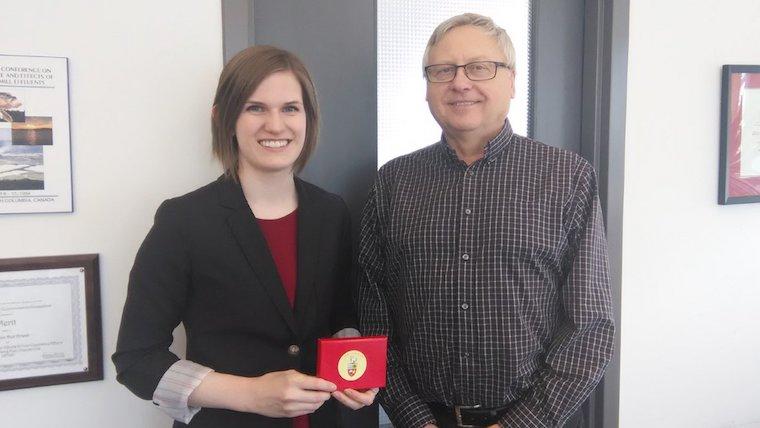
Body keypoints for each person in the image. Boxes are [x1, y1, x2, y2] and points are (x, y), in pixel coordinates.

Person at [357, 13, 614, 428]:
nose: (460, 82)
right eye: (443, 70)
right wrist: (413, 418)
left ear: (511, 81)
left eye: (480, 67)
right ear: (427, 88)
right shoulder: (394, 181)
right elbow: (373, 312)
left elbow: (590, 326)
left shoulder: (567, 176)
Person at [113, 45, 377, 428]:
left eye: (290, 108)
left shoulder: (331, 212)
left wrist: (355, 371)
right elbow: (137, 358)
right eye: (255, 108)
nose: (275, 125)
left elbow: (341, 316)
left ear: (309, 118)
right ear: (224, 118)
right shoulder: (183, 221)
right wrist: (249, 394)